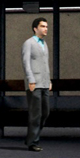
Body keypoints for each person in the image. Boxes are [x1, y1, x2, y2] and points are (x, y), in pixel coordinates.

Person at [21, 17, 52, 151]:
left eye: (46, 26)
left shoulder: (44, 44)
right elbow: (26, 62)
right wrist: (30, 79)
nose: (46, 28)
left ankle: (30, 138)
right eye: (43, 26)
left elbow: (46, 64)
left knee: (45, 112)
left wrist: (49, 80)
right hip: (34, 83)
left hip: (44, 83)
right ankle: (33, 142)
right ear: (35, 28)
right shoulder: (29, 43)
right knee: (36, 114)